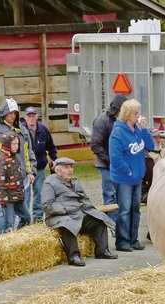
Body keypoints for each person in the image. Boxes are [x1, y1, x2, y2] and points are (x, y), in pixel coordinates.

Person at [41, 157, 118, 267]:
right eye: (66, 167)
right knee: (68, 224)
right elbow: (47, 205)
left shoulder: (75, 180)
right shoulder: (49, 183)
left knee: (99, 219)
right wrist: (67, 209)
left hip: (78, 213)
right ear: (58, 171)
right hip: (59, 216)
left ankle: (102, 251)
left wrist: (88, 207)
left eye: (71, 167)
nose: (70, 170)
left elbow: (85, 198)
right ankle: (74, 257)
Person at [109, 99, 155, 251]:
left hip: (137, 178)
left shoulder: (138, 130)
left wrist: (145, 129)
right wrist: (128, 171)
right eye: (136, 113)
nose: (138, 116)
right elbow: (115, 158)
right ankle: (122, 241)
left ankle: (133, 239)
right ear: (128, 115)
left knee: (135, 209)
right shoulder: (118, 132)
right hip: (124, 179)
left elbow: (150, 146)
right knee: (125, 209)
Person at [0, 98, 36, 232]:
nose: (13, 115)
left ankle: (19, 240)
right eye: (10, 112)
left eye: (15, 113)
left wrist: (31, 171)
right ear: (3, 112)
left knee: (24, 213)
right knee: (3, 213)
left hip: (22, 179)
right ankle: (2, 242)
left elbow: (29, 153)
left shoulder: (22, 129)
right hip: (2, 179)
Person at [91, 94, 126, 222]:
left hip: (121, 163)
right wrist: (111, 162)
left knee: (122, 194)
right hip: (106, 164)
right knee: (110, 194)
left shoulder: (125, 120)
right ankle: (112, 223)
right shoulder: (101, 121)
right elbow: (95, 145)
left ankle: (122, 222)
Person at [22, 107, 58, 223]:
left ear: (37, 116)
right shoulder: (20, 130)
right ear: (25, 117)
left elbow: (51, 146)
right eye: (29, 116)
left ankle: (38, 218)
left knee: (39, 194)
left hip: (40, 168)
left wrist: (54, 160)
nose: (31, 118)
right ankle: (25, 219)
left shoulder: (44, 130)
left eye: (33, 116)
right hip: (25, 170)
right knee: (25, 196)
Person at [0, 132, 30, 233]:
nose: (16, 146)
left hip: (19, 197)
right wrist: (3, 200)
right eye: (13, 144)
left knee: (26, 218)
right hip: (8, 199)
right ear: (7, 144)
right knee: (8, 224)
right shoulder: (1, 161)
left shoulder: (14, 158)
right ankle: (5, 241)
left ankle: (18, 236)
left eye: (17, 144)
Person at [141, 128, 165, 203]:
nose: (158, 140)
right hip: (149, 190)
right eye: (155, 137)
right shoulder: (145, 156)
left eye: (159, 137)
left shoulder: (164, 150)